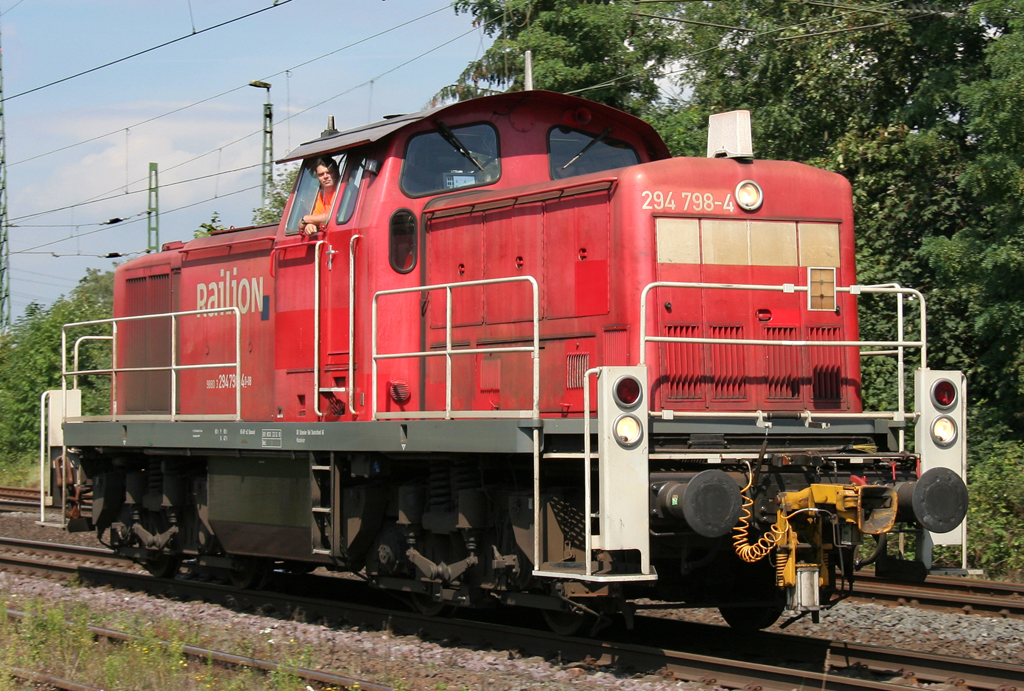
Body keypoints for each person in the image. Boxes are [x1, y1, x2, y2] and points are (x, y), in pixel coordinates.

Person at [299, 157, 340, 236]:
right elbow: (316, 216)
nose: (325, 176)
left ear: (337, 173)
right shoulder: (322, 194)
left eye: (329, 172)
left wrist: (305, 219)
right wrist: (310, 225)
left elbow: (333, 216)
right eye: (321, 174)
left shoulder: (346, 190)